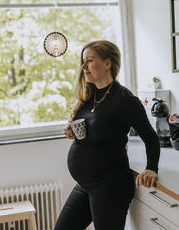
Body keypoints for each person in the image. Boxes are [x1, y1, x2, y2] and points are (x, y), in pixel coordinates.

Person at [54, 40, 160, 230]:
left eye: (89, 61)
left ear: (107, 63)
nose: (83, 67)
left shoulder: (126, 101)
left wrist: (152, 167)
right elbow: (94, 131)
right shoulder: (89, 95)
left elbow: (151, 137)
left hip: (110, 186)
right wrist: (72, 131)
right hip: (86, 185)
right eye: (83, 61)